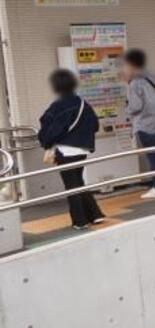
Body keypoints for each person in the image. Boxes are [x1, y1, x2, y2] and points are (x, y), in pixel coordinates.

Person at [38, 68, 104, 230]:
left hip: (65, 151)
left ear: (56, 86)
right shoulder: (83, 103)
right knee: (78, 181)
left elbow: (49, 128)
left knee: (71, 185)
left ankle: (80, 221)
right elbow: (95, 125)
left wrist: (45, 143)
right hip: (82, 150)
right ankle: (95, 215)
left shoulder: (57, 106)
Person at [122, 49, 155, 199]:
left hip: (145, 123)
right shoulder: (151, 76)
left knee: (153, 155)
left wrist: (126, 108)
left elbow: (136, 106)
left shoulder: (135, 83)